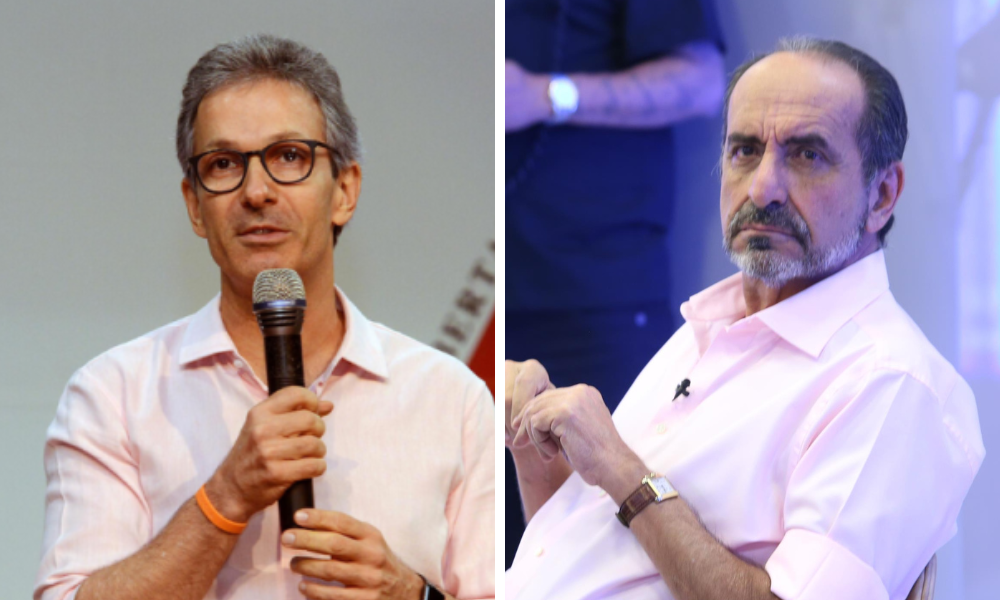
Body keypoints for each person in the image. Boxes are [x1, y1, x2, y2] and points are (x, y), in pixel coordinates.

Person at [505, 38, 984, 600]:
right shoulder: (705, 329)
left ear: (882, 194)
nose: (762, 188)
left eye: (807, 155)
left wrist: (622, 471)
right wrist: (532, 445)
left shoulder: (894, 383)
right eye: (745, 151)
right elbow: (593, 557)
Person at [34, 34, 494, 600]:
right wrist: (225, 497)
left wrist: (411, 595)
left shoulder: (450, 399)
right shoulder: (114, 396)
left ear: (345, 190)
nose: (256, 191)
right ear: (194, 205)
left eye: (289, 157)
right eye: (224, 164)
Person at [504, 0, 726, 566]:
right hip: (491, 287)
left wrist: (547, 95)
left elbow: (701, 81)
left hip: (592, 293)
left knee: (605, 544)